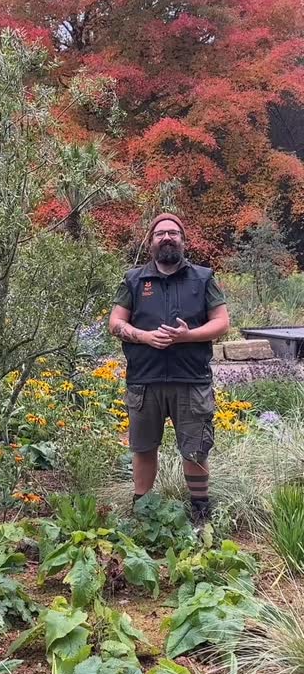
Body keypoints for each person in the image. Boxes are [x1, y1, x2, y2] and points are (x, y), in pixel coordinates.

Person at [108, 213, 230, 522]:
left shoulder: (203, 278)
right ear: (150, 242)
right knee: (143, 447)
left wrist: (188, 336)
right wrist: (143, 336)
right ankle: (142, 512)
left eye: (173, 233)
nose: (167, 237)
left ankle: (201, 514)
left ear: (183, 241)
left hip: (191, 379)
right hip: (144, 380)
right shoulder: (134, 279)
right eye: (160, 233)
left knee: (195, 449)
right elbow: (115, 322)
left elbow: (222, 323)